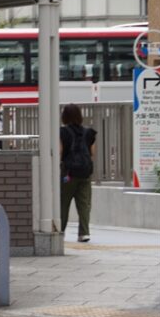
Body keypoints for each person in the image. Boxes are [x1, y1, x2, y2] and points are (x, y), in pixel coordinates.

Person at [59, 103, 97, 242]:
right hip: (85, 173)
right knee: (84, 204)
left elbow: (60, 152)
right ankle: (84, 233)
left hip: (68, 174)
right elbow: (92, 153)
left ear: (64, 117)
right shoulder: (89, 132)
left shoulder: (62, 132)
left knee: (63, 203)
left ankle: (60, 231)